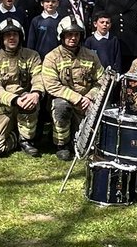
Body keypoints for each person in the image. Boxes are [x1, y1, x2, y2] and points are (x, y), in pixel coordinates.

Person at [41, 17, 105, 160]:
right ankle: (61, 144)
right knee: (60, 106)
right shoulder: (52, 57)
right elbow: (52, 85)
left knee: (91, 144)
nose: (73, 38)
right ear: (61, 36)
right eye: (69, 34)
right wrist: (76, 98)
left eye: (76, 34)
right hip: (66, 101)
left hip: (87, 103)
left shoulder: (91, 55)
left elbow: (101, 81)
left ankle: (82, 139)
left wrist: (89, 97)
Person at [0, 18, 44, 157]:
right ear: (1, 38)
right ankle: (15, 137)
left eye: (15, 34)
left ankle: (26, 140)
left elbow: (38, 77)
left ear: (20, 36)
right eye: (7, 35)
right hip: (3, 105)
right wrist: (14, 99)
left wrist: (35, 93)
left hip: (27, 103)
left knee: (31, 104)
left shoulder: (32, 56)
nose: (11, 38)